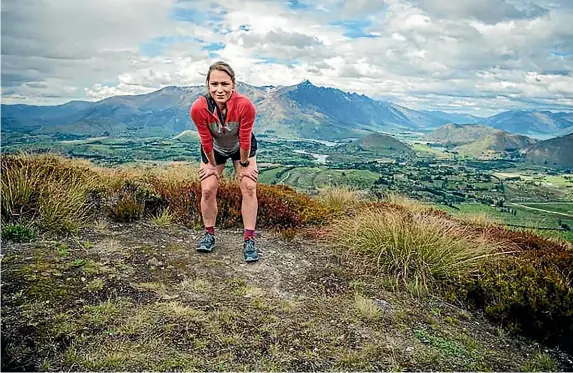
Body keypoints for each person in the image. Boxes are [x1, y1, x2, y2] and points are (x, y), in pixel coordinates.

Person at [189, 61, 260, 262]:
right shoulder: (199, 108)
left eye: (225, 84)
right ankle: (209, 234)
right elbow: (205, 140)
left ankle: (249, 239)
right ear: (208, 85)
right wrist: (211, 165)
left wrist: (245, 165)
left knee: (248, 186)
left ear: (233, 84)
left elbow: (245, 139)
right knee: (208, 188)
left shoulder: (244, 105)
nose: (219, 90)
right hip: (215, 149)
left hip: (241, 148)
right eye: (214, 84)